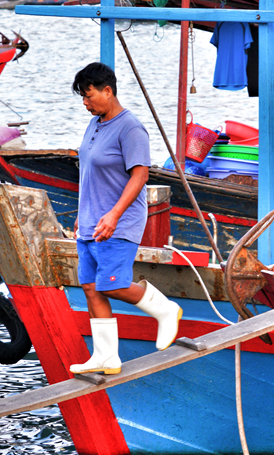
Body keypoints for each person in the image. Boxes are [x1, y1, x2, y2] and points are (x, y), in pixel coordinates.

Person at [70, 62, 182, 376]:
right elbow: (89, 173)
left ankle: (165, 309)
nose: (85, 102)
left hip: (118, 223)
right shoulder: (94, 123)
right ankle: (106, 356)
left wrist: (113, 215)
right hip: (91, 222)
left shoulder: (130, 127)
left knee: (111, 285)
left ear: (108, 90)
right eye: (82, 96)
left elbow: (140, 175)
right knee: (91, 287)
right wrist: (83, 216)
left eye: (89, 95)